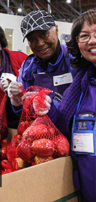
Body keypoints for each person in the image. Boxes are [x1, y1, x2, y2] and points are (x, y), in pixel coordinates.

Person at [8, 10, 76, 123]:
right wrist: (17, 103)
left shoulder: (74, 59)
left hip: (75, 133)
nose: (39, 43)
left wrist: (52, 105)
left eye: (44, 35)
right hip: (43, 137)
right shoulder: (28, 67)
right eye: (32, 39)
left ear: (56, 30)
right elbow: (26, 115)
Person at [59, 9, 96, 202]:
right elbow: (65, 119)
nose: (92, 41)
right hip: (88, 184)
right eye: (84, 36)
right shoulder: (80, 84)